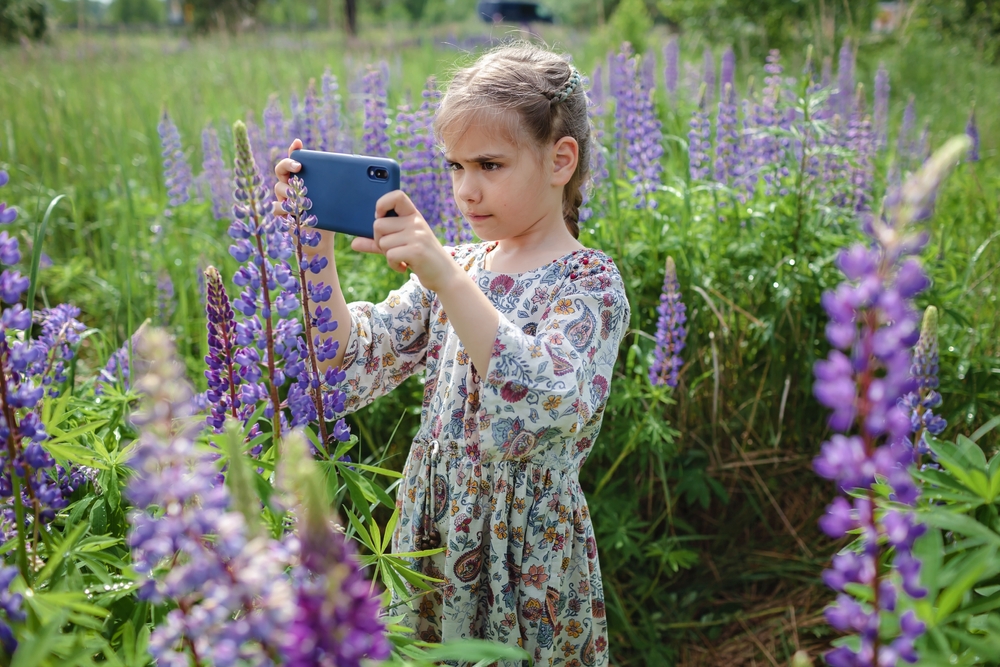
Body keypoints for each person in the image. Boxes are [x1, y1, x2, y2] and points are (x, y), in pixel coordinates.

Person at [274, 42, 630, 667]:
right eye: (455, 167)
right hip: (432, 531)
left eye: (489, 165)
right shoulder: (460, 265)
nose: (466, 190)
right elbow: (350, 362)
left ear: (560, 160)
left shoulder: (590, 284)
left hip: (527, 552)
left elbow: (546, 404)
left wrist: (446, 278)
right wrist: (315, 248)